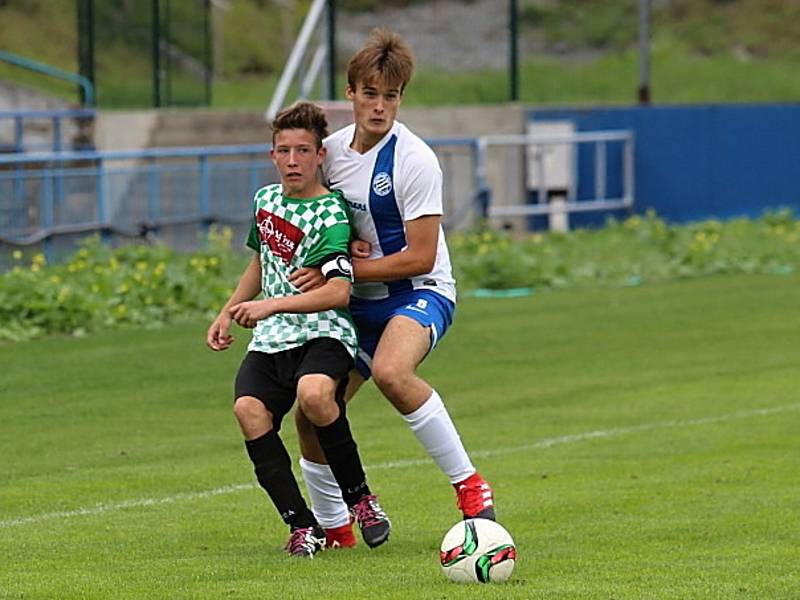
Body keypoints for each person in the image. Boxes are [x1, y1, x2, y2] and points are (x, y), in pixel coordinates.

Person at [290, 29, 495, 549]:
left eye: (391, 96)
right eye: (370, 94)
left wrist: (347, 269)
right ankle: (335, 525)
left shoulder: (415, 160)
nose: (380, 107)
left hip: (419, 291)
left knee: (390, 372)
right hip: (358, 303)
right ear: (351, 92)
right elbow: (319, 222)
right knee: (312, 407)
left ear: (401, 99)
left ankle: (470, 487)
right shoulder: (330, 153)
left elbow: (422, 255)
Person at [206, 101, 391, 558]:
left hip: (323, 332)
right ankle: (301, 524)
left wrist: (271, 305)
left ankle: (361, 500)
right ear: (272, 156)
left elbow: (338, 293)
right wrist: (228, 311)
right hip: (273, 339)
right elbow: (259, 261)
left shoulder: (331, 213)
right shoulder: (265, 201)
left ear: (320, 156)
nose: (293, 160)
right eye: (283, 151)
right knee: (248, 411)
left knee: (313, 394)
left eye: (303, 150)